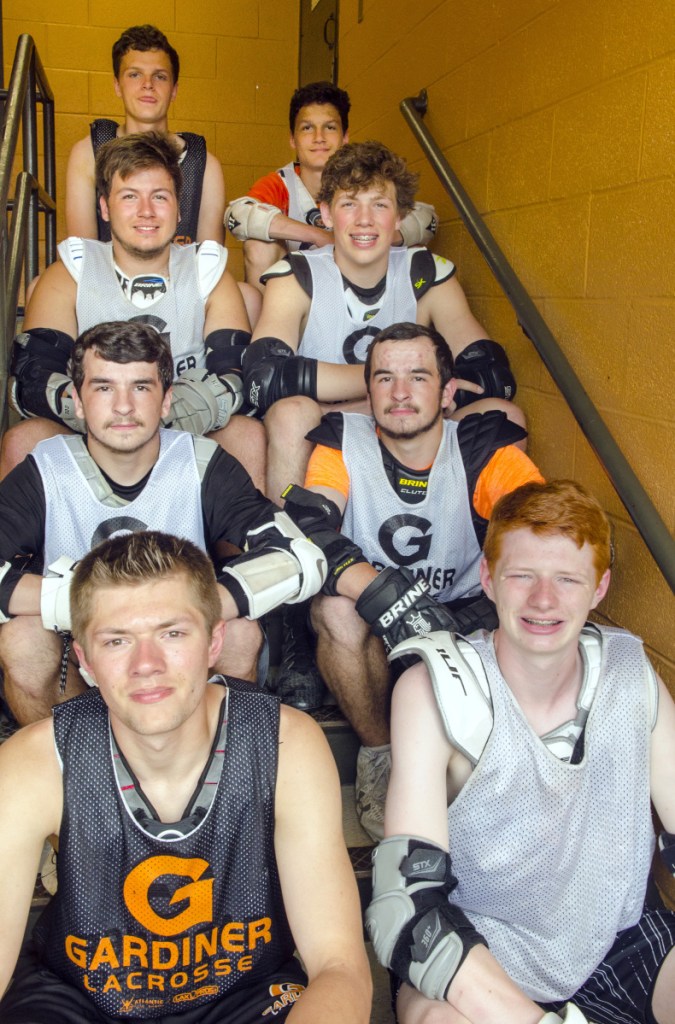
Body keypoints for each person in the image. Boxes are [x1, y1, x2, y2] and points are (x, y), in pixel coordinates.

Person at [0, 530, 372, 1023]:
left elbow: (339, 965)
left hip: (244, 995)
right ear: (85, 661)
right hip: (78, 998)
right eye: (117, 641)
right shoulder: (38, 760)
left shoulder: (285, 743)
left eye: (172, 634)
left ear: (214, 641)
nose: (146, 666)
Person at [366, 479, 675, 1024]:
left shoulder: (631, 674)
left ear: (599, 588)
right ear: (488, 579)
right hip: (487, 958)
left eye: (567, 579)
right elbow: (404, 906)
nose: (543, 601)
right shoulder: (437, 691)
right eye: (522, 576)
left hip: (618, 939)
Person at [0, 320, 342, 725]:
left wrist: (180, 608)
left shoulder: (201, 463)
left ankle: (211, 774)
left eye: (141, 387)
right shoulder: (47, 467)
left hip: (181, 647)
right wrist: (97, 606)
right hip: (83, 647)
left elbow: (300, 557)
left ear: (166, 401)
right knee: (22, 641)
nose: (123, 406)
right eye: (104, 387)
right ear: (77, 400)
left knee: (239, 634)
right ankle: (73, 774)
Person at [298, 323, 542, 838]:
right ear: (369, 391)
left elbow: (541, 531)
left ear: (448, 393)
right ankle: (380, 756)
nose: (400, 393)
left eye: (418, 377)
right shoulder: (342, 441)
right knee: (333, 609)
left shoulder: (482, 448)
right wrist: (387, 593)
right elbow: (310, 530)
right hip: (375, 622)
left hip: (462, 616)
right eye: (384, 378)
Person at [243, 139, 519, 503]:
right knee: (290, 412)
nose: (364, 220)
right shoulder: (297, 275)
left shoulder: (425, 274)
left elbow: (493, 376)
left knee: (504, 414)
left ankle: (484, 551)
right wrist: (391, 384)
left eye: (379, 204)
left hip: (409, 423)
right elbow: (263, 378)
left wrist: (398, 398)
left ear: (400, 216)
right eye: (349, 204)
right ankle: (291, 547)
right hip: (328, 425)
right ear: (325, 213)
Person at [2, 132, 265, 488]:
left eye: (160, 196)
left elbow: (234, 377)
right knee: (23, 440)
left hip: (185, 427)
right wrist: (110, 419)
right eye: (129, 197)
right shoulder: (74, 268)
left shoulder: (206, 268)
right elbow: (32, 377)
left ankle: (256, 546)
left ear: (178, 207)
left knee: (245, 434)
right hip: (90, 433)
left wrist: (157, 418)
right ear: (105, 208)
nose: (146, 211)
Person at [225, 81, 437, 293]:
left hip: (355, 288)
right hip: (294, 294)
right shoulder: (281, 184)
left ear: (345, 137)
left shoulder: (364, 178)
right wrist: (318, 236)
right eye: (307, 128)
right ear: (292, 139)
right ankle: (269, 325)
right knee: (259, 246)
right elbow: (238, 215)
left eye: (330, 127)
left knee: (413, 251)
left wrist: (377, 235)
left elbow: (427, 220)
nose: (319, 138)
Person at [66, 24, 225, 246]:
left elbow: (210, 262)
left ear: (174, 89)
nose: (147, 85)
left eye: (160, 76)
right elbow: (81, 254)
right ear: (117, 85)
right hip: (103, 279)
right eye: (134, 74)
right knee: (40, 282)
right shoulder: (89, 152)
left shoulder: (203, 163)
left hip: (182, 279)